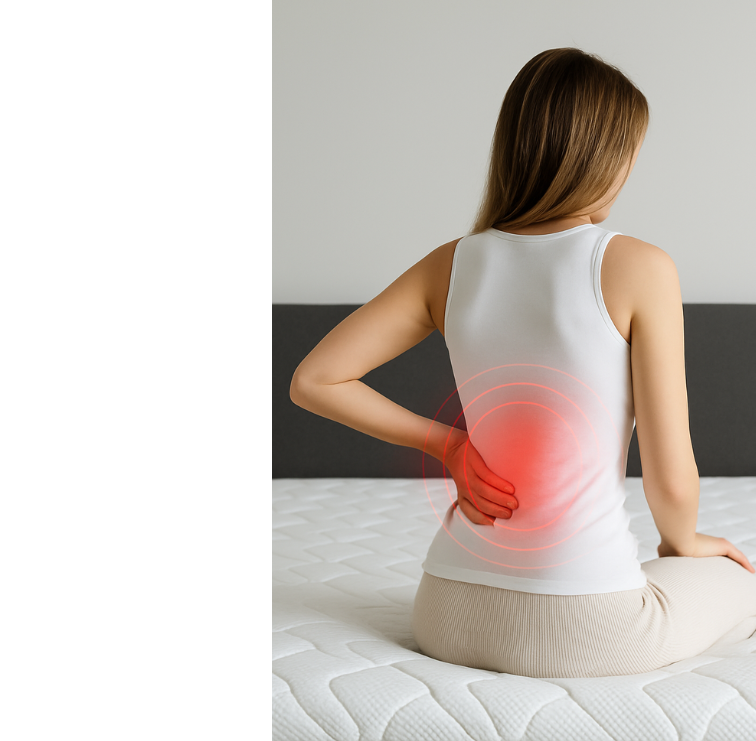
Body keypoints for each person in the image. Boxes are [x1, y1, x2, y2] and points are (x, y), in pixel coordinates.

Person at [288, 47, 756, 678]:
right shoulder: (640, 267)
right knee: (739, 579)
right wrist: (685, 547)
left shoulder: (450, 264)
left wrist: (449, 445)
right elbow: (671, 477)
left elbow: (314, 379)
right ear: (606, 158)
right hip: (589, 631)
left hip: (445, 614)